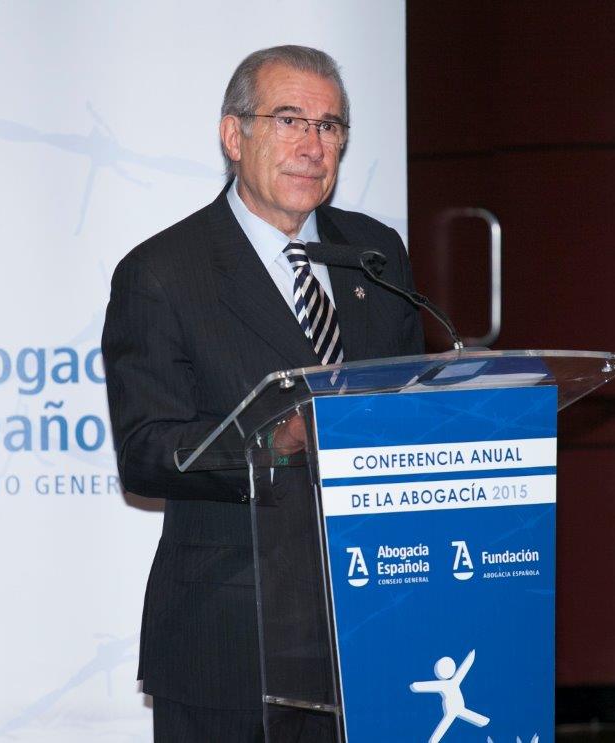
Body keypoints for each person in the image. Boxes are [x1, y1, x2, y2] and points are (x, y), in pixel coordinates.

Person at [101, 45, 424, 742]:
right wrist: (277, 438)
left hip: (374, 618)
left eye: (329, 126)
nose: (313, 145)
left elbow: (410, 403)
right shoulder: (163, 272)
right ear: (233, 134)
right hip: (230, 635)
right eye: (289, 120)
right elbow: (148, 452)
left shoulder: (375, 253)